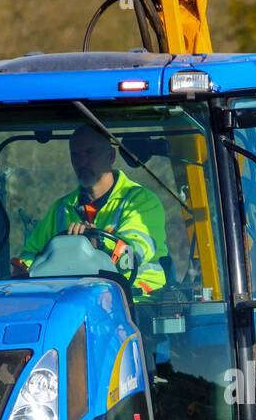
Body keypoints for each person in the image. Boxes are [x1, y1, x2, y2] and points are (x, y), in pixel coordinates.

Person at [13, 124, 168, 295]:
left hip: (137, 301)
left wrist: (96, 243)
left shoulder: (140, 201)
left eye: (89, 153)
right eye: (76, 156)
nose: (82, 162)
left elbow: (132, 255)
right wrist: (25, 269)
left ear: (111, 156)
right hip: (76, 300)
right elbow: (32, 252)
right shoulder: (62, 208)